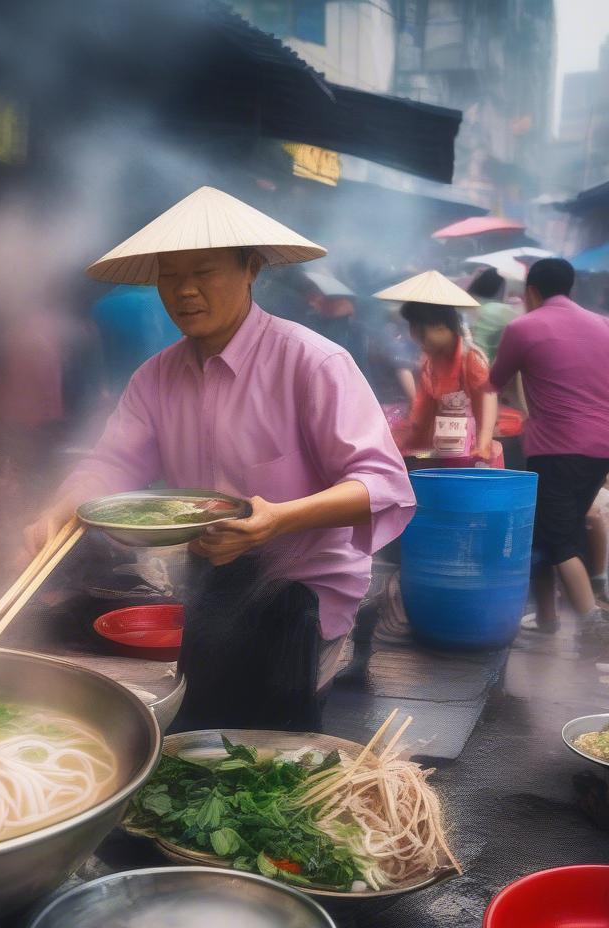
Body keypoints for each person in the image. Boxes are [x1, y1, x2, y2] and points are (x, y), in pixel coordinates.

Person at [25, 186, 415, 732]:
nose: (184, 290)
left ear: (251, 268)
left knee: (275, 750)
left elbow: (382, 481)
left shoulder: (313, 362)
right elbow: (111, 465)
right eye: (170, 275)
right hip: (211, 584)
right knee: (200, 739)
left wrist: (278, 519)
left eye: (204, 272)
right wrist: (60, 509)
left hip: (301, 592)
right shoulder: (156, 377)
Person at [490, 258, 609, 644]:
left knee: (559, 540)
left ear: (531, 291)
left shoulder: (523, 327)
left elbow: (494, 381)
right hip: (601, 449)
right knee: (543, 531)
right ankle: (546, 617)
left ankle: (593, 627)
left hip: (556, 448)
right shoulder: (603, 325)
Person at [377, 271, 497, 463]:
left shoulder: (471, 359)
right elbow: (424, 410)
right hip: (440, 450)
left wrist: (483, 446)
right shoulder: (428, 362)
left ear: (441, 327)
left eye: (422, 334)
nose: (418, 341)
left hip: (470, 453)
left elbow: (487, 403)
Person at [467, 268, 516, 364]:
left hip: (467, 358)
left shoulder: (468, 302)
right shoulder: (495, 309)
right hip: (485, 362)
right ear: (500, 287)